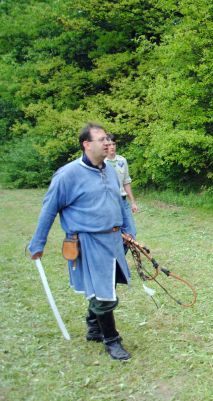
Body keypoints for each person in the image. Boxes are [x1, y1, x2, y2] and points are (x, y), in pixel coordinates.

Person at [28, 123, 136, 361]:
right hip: (89, 241)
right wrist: (38, 243)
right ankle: (112, 340)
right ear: (86, 144)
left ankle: (94, 326)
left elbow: (120, 202)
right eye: (101, 140)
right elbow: (49, 209)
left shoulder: (110, 169)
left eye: (108, 139)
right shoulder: (67, 175)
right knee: (104, 294)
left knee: (108, 284)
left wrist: (128, 230)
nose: (107, 143)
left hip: (114, 240)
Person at [105, 133, 138, 233]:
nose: (112, 147)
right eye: (109, 145)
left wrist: (132, 202)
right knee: (114, 233)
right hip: (108, 202)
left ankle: (121, 249)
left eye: (114, 144)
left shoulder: (122, 160)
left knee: (131, 232)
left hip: (123, 201)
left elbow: (126, 182)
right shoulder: (101, 162)